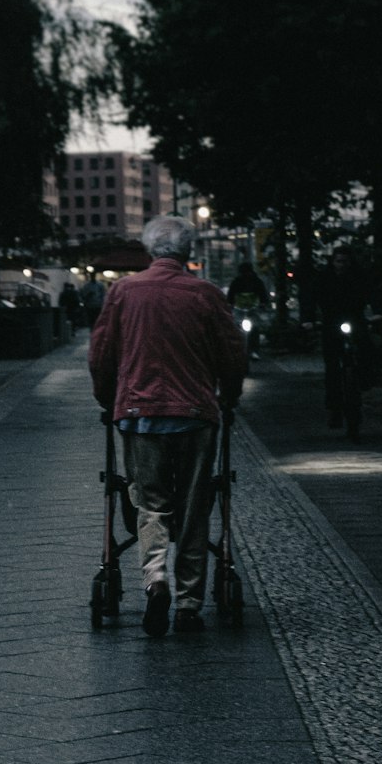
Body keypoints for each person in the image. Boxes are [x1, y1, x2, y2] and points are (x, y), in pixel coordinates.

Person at [89, 215, 247, 637]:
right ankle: (189, 603)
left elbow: (101, 353)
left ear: (149, 251)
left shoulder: (123, 292)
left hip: (140, 415)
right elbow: (232, 354)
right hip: (195, 414)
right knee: (194, 506)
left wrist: (109, 399)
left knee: (151, 503)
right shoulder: (206, 294)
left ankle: (155, 578)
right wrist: (229, 396)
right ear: (188, 252)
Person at [315, 245, 370, 427]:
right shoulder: (325, 278)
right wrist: (311, 319)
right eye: (339, 261)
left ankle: (363, 381)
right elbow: (314, 298)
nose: (342, 265)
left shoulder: (360, 278)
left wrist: (378, 312)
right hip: (331, 325)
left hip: (355, 322)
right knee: (332, 366)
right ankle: (334, 407)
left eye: (345, 261)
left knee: (365, 352)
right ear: (333, 262)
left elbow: (372, 295)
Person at [227, 260, 270, 359]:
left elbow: (263, 295)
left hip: (252, 309)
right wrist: (229, 305)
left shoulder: (256, 281)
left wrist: (263, 304)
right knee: (236, 328)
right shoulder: (236, 282)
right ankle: (237, 349)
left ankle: (254, 350)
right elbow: (230, 296)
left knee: (254, 329)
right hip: (239, 309)